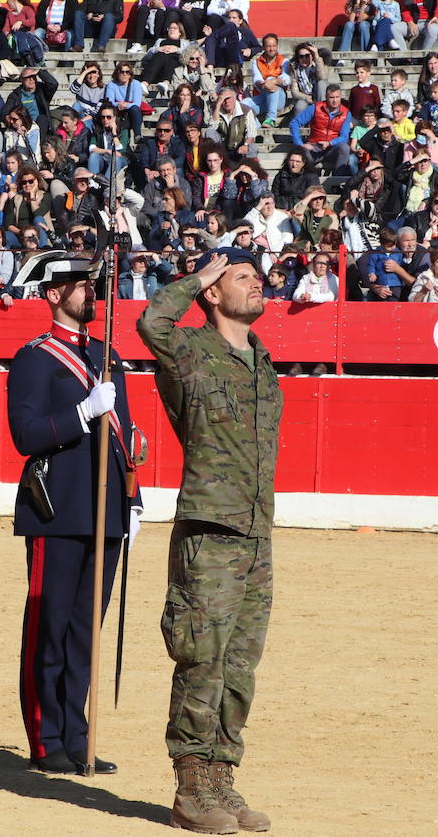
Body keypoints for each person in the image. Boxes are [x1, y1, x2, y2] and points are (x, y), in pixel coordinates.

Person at [136, 247, 279, 835]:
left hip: (255, 531)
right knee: (202, 658)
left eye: (256, 276)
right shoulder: (192, 350)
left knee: (241, 664)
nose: (258, 284)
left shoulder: (262, 361)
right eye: (243, 278)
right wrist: (200, 274)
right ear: (215, 294)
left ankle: (222, 775)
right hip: (210, 530)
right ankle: (191, 786)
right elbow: (152, 322)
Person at [7, 249, 141, 776]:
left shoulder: (106, 355)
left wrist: (132, 500)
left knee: (86, 632)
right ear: (54, 294)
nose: (92, 292)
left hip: (105, 510)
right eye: (81, 285)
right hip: (57, 508)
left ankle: (79, 738)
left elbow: (127, 436)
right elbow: (26, 435)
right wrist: (82, 413)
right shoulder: (35, 358)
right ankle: (47, 738)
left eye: (94, 284)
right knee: (51, 627)